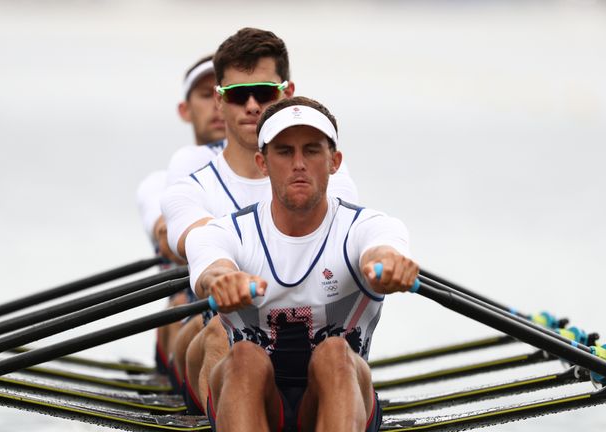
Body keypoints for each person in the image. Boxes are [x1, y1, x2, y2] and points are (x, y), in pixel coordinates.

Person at [185, 97, 418, 432]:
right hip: (250, 396)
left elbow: (381, 251)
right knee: (245, 357)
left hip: (337, 397)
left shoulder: (370, 226)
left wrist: (389, 266)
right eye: (283, 151)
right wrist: (222, 280)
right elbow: (213, 269)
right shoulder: (225, 231)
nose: (298, 164)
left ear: (334, 161)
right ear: (262, 163)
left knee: (335, 351)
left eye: (311, 150)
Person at [160, 29, 358, 415]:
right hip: (222, 340)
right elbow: (199, 245)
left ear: (286, 93)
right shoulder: (190, 189)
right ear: (219, 100)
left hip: (317, 347)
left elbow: (346, 236)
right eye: (237, 95)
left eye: (264, 93)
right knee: (222, 331)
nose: (251, 106)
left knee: (336, 352)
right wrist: (223, 276)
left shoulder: (329, 175)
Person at [134, 54, 224, 379]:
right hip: (189, 320)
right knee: (184, 312)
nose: (218, 104)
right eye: (206, 95)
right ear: (184, 111)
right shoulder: (159, 183)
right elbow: (169, 241)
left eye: (227, 94)